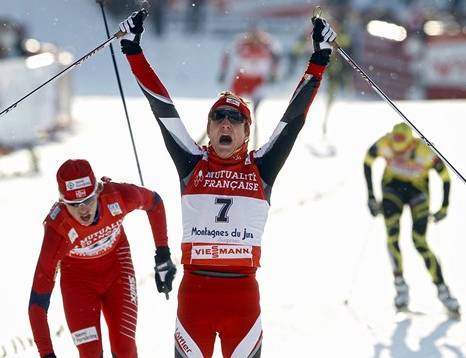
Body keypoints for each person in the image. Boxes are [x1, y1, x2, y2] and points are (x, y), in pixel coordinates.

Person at [118, 10, 336, 357]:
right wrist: (133, 50)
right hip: (195, 297)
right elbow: (161, 106)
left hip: (243, 299)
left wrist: (319, 58)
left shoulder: (261, 167)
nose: (225, 123)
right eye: (218, 116)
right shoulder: (192, 162)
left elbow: (293, 118)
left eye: (236, 118)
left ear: (247, 132)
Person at [28, 159, 177, 357]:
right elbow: (37, 304)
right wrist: (47, 354)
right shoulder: (57, 231)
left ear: (98, 191)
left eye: (88, 200)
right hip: (78, 281)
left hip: (118, 268)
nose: (83, 211)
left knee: (125, 348)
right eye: (74, 204)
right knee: (90, 352)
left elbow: (154, 202)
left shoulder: (116, 195)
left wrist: (163, 256)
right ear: (62, 203)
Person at [363, 122, 460, 317]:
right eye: (395, 152)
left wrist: (444, 206)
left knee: (419, 241)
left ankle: (443, 291)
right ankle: (400, 288)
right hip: (392, 190)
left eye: (404, 152)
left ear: (411, 145)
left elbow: (446, 178)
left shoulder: (425, 151)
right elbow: (367, 161)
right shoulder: (385, 143)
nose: (398, 156)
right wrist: (371, 196)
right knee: (392, 236)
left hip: (418, 193)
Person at [216, 22, 281, 146]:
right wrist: (223, 71)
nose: (255, 39)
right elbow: (226, 53)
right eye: (253, 35)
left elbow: (277, 57)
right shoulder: (241, 43)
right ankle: (214, 134)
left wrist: (274, 73)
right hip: (241, 80)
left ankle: (255, 141)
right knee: (227, 106)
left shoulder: (268, 44)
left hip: (257, 81)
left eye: (258, 35)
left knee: (255, 112)